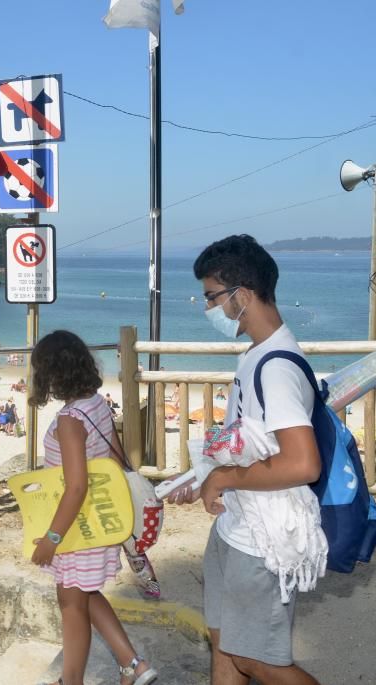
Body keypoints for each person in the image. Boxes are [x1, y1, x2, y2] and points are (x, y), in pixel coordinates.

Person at [166, 235, 321, 685]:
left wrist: (226, 476)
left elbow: (302, 463)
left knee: (258, 660)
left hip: (264, 541)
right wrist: (204, 476)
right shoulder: (253, 355)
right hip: (236, 526)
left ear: (243, 295)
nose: (207, 308)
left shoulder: (276, 367)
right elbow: (249, 442)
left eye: (212, 296)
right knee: (228, 647)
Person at [29, 330, 158, 685]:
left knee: (71, 606)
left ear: (51, 374)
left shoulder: (70, 421)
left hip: (77, 527)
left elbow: (76, 486)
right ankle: (133, 664)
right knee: (84, 592)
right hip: (98, 520)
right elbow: (116, 460)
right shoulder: (97, 403)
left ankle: (71, 681)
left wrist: (52, 539)